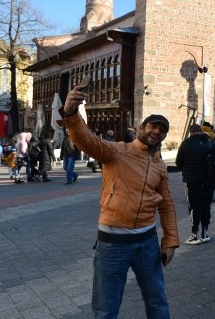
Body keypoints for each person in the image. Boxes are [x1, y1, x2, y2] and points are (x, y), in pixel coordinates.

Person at [57, 85, 178, 318]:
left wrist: (170, 239)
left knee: (158, 302)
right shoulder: (116, 151)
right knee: (106, 309)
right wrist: (71, 114)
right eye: (153, 126)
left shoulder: (160, 165)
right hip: (113, 243)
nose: (157, 132)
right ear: (142, 128)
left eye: (162, 130)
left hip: (147, 243)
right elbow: (86, 140)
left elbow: (167, 205)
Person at [176, 124, 215, 245]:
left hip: (191, 180)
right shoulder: (210, 142)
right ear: (200, 131)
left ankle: (194, 235)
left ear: (191, 132)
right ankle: (205, 233)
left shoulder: (186, 143)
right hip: (208, 180)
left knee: (194, 206)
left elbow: (178, 162)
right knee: (206, 205)